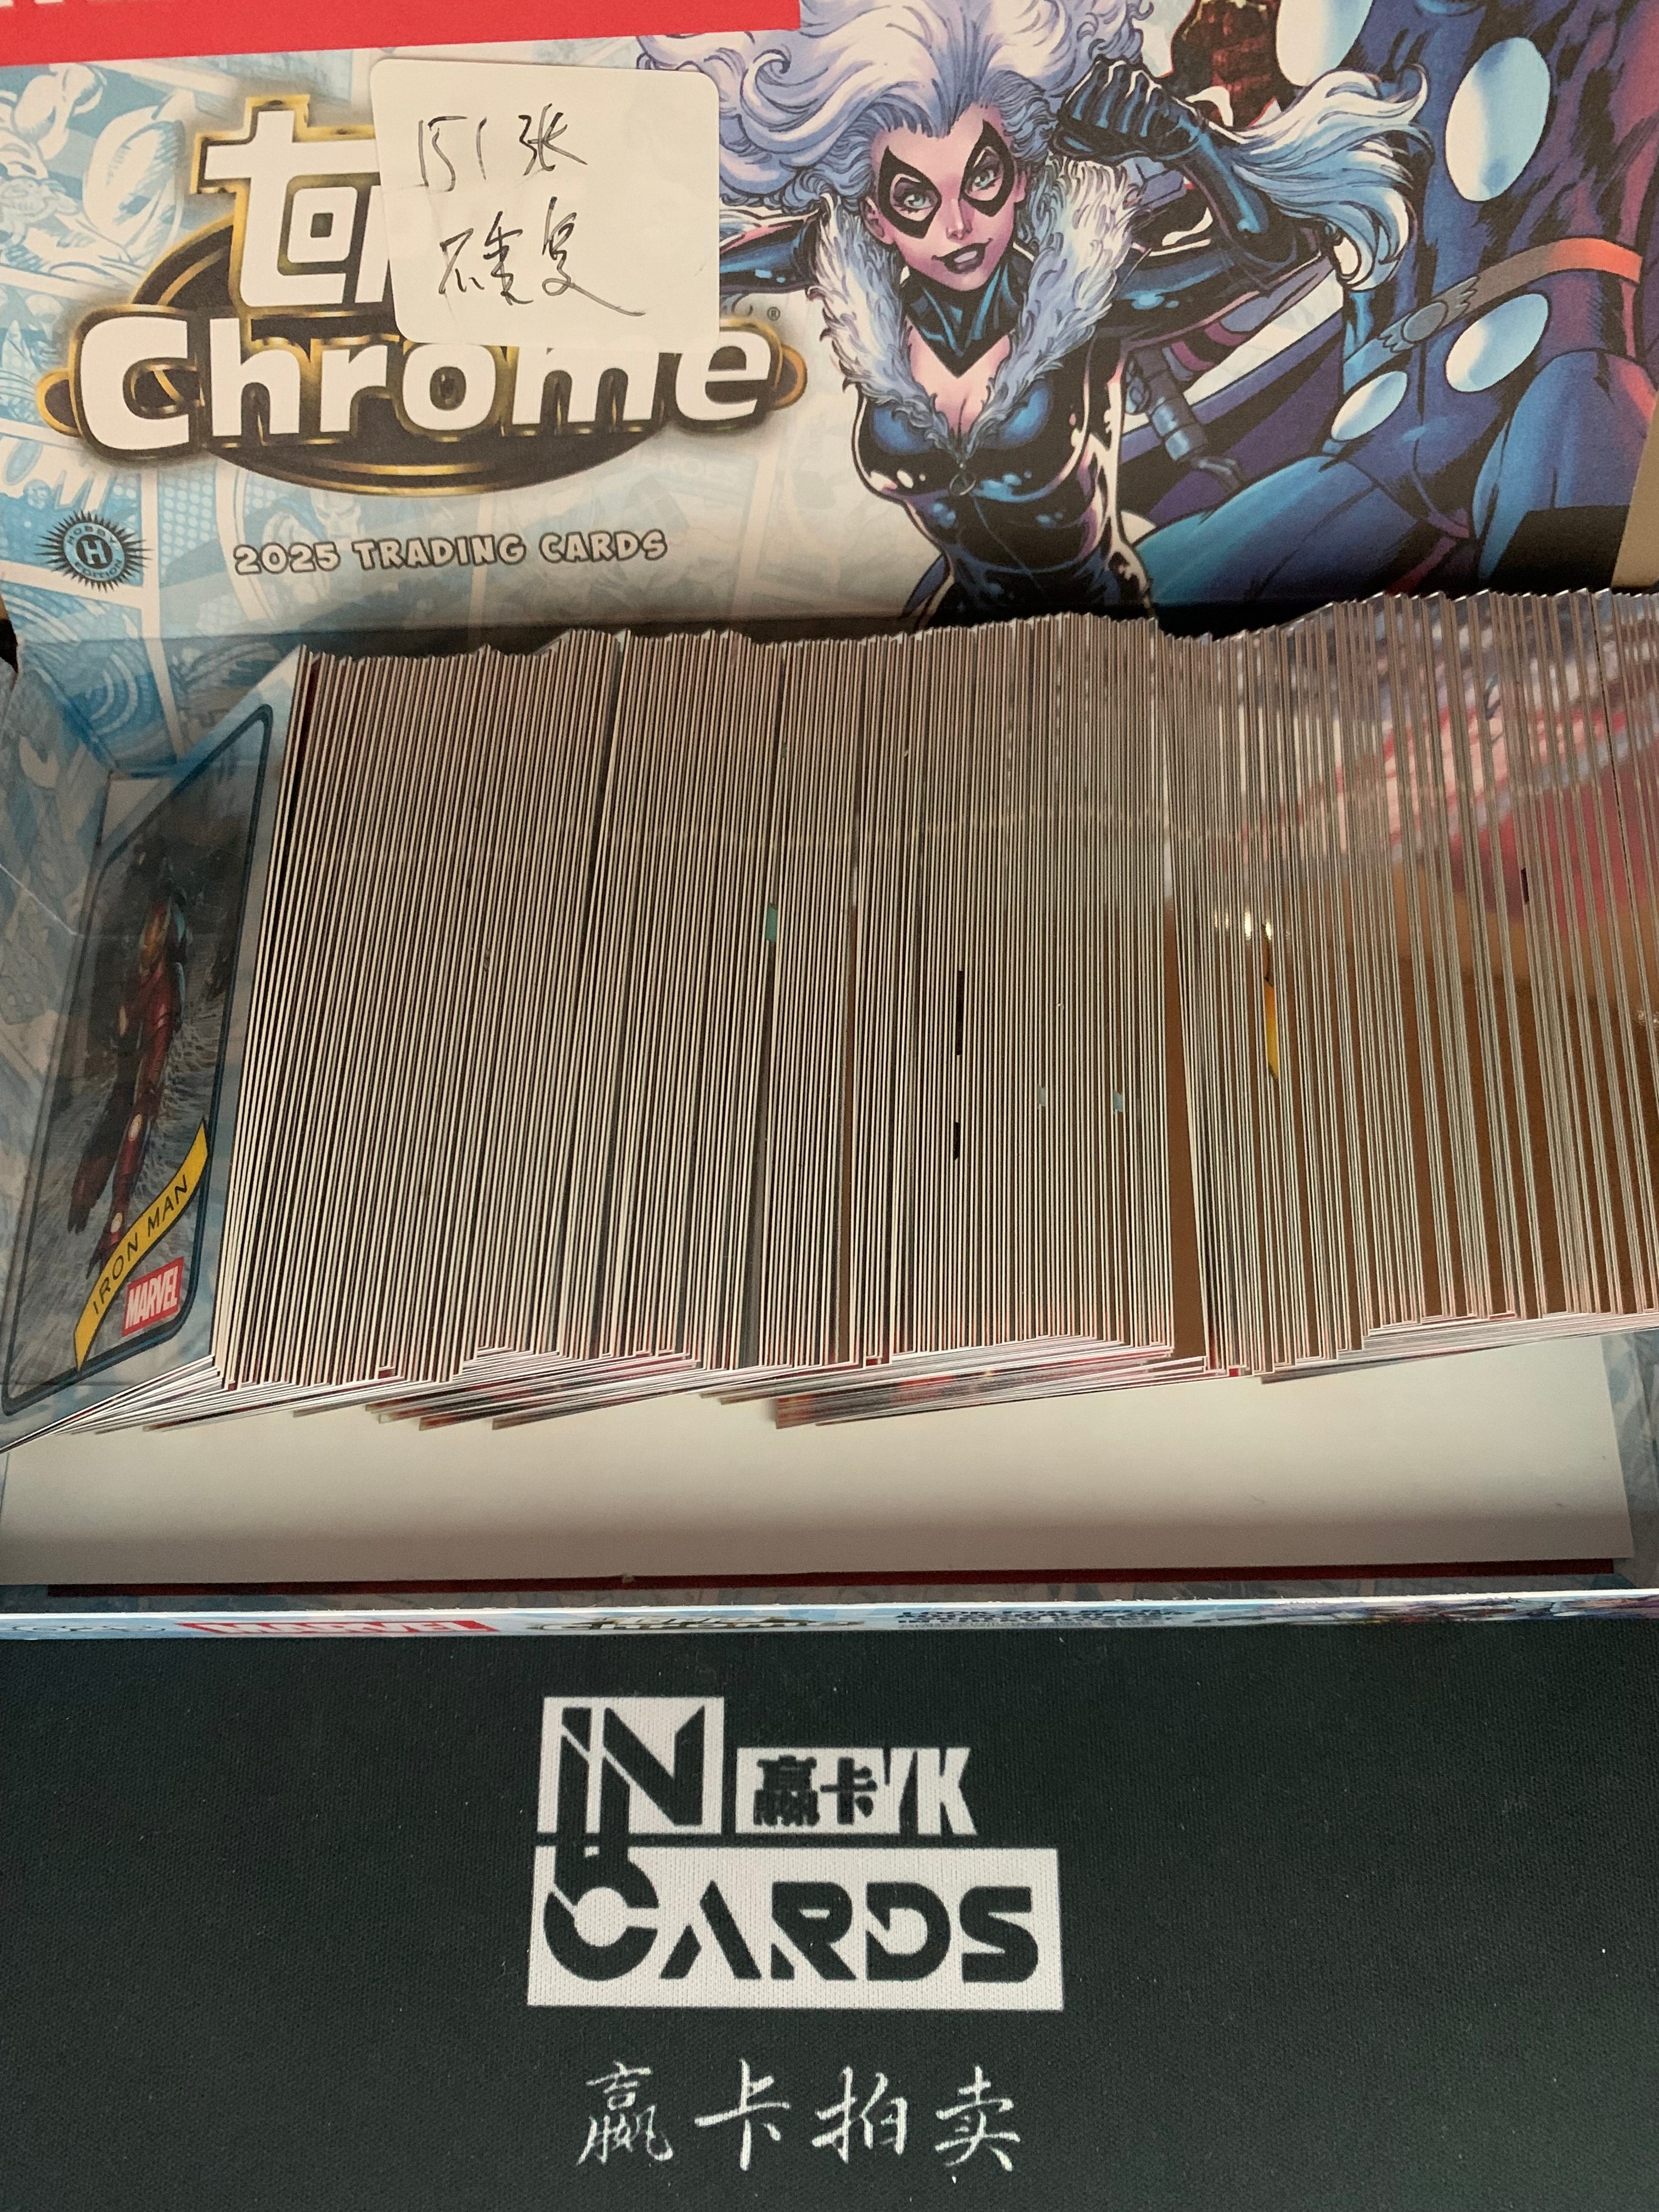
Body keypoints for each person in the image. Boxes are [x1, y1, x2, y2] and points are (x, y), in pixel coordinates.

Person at [641, 0, 1424, 620]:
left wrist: (1185, 138)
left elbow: (1270, 251)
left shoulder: (1089, 296)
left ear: (1019, 177)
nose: (957, 226)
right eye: (915, 198)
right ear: (874, 217)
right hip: (953, 626)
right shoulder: (854, 273)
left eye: (982, 180)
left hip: (1096, 633)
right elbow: (686, 269)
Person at [69, 877, 189, 1274]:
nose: (148, 939)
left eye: (158, 929)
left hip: (147, 1081)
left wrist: (117, 1226)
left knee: (134, 1123)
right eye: (147, 929)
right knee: (116, 1115)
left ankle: (115, 1229)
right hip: (129, 1075)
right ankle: (86, 1201)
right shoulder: (135, 978)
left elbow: (149, 1079)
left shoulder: (165, 989)